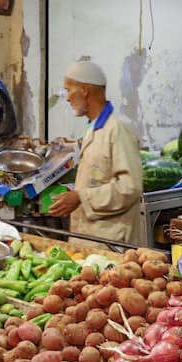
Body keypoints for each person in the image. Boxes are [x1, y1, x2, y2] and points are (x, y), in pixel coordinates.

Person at [46, 58, 144, 244]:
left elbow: (130, 187)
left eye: (69, 90)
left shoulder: (117, 128)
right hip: (91, 237)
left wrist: (81, 197)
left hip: (111, 241)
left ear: (84, 90)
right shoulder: (93, 127)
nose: (67, 98)